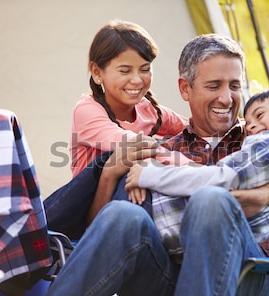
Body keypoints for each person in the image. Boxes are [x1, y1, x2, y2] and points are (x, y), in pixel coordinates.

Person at [44, 34, 269, 296]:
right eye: (213, 85)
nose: (226, 97)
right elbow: (98, 232)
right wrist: (110, 175)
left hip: (248, 278)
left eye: (234, 85)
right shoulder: (163, 150)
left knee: (211, 199)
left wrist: (265, 194)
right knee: (123, 215)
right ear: (185, 89)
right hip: (166, 278)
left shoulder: (259, 138)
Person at [124, 85, 269, 262]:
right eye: (248, 121)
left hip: (167, 222)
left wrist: (148, 175)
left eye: (260, 115)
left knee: (114, 188)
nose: (249, 127)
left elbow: (222, 177)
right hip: (175, 235)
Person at [43, 19, 188, 239]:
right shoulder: (87, 110)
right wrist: (190, 167)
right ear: (97, 72)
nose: (137, 80)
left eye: (145, 69)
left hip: (129, 204)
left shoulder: (149, 110)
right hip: (87, 215)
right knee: (123, 160)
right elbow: (131, 143)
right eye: (125, 70)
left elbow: (191, 128)